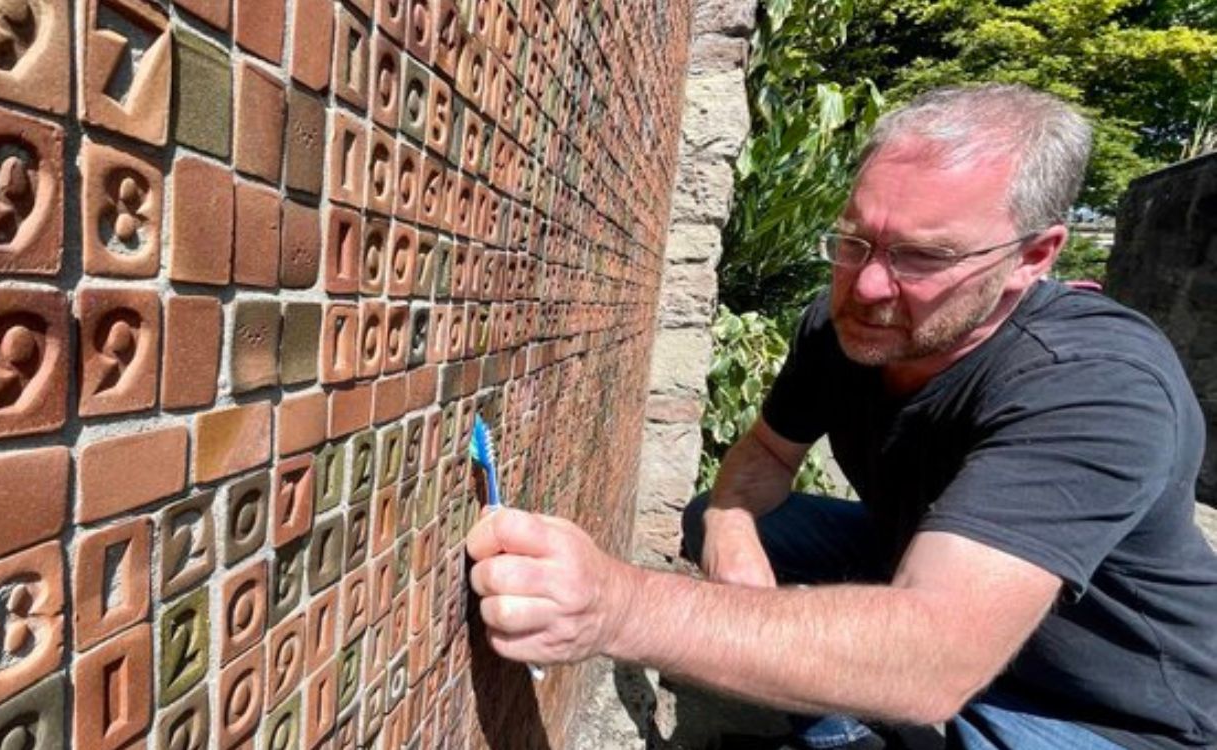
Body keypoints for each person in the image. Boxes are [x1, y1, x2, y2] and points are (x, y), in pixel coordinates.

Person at [465, 84, 1217, 750]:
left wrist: (615, 606)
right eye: (854, 240)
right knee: (722, 519)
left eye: (923, 256)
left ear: (1034, 255)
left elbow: (935, 657)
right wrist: (731, 532)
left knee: (918, 682)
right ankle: (845, 731)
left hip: (1112, 714)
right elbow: (763, 454)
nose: (869, 286)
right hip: (924, 583)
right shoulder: (841, 326)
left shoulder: (1095, 385)